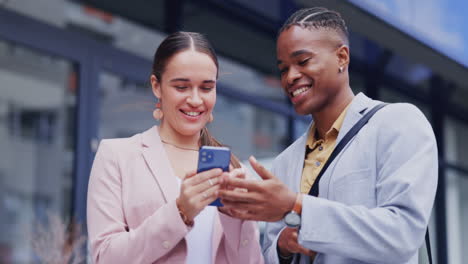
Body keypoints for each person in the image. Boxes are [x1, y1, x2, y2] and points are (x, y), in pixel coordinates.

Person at [219, 7, 438, 264]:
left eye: (302, 62)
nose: (290, 77)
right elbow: (269, 254)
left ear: (342, 57)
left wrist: (297, 205)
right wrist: (282, 246)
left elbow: (402, 235)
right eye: (283, 69)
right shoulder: (285, 161)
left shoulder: (398, 123)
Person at [87, 31, 264, 264]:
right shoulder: (117, 156)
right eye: (181, 87)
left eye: (206, 88)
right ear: (156, 86)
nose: (195, 100)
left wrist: (237, 219)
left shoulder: (232, 170)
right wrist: (180, 212)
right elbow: (105, 258)